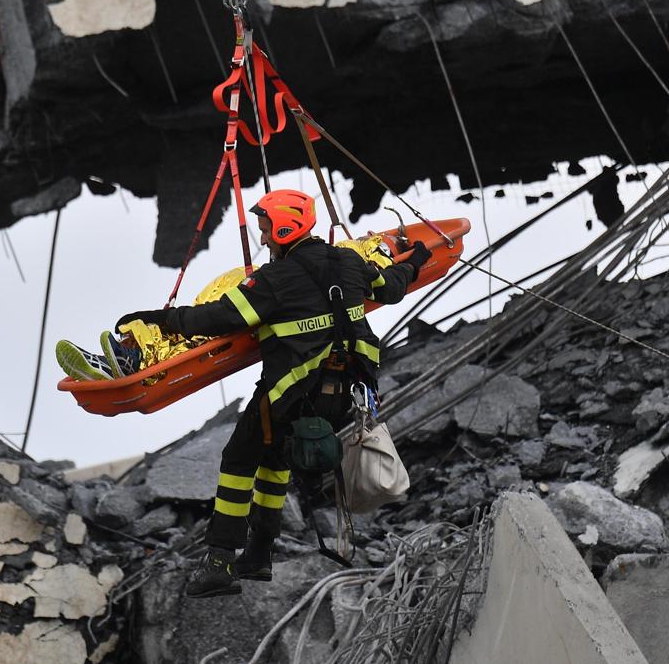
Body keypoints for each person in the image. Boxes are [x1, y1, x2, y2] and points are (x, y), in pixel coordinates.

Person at [68, 189, 431, 598]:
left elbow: (220, 317)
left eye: (265, 230)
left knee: (239, 459)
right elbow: (391, 287)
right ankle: (259, 554)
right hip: (348, 391)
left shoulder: (274, 280)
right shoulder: (349, 261)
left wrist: (160, 319)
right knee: (274, 459)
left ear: (284, 229)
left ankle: (220, 562)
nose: (262, 238)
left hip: (293, 391)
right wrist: (415, 259)